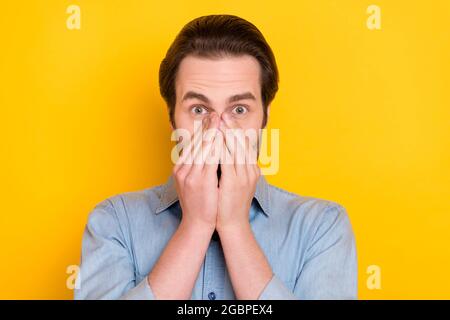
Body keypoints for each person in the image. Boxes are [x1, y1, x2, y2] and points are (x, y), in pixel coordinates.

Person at [74, 14, 357, 300]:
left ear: (265, 117)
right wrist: (195, 226)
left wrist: (235, 228)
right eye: (198, 110)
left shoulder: (322, 226)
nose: (218, 130)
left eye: (239, 110)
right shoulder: (114, 222)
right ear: (172, 119)